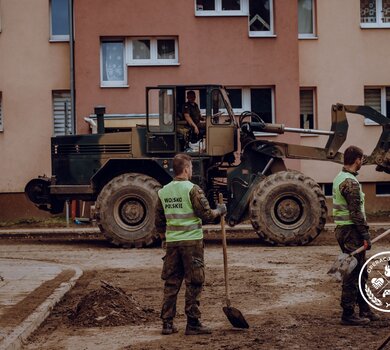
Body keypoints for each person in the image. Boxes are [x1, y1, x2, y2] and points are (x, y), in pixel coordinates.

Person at [155, 153, 227, 335]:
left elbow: (159, 221)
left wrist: (166, 238)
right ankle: (193, 323)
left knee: (171, 283)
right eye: (191, 168)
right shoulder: (192, 189)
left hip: (172, 244)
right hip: (192, 244)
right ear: (186, 169)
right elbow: (207, 216)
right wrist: (220, 210)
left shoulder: (163, 191)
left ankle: (167, 324)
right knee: (194, 282)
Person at [332, 145, 378, 325]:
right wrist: (365, 235)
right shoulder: (350, 182)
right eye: (361, 159)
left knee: (360, 271)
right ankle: (348, 314)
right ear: (357, 159)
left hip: (344, 230)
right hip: (351, 232)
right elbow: (356, 213)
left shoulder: (340, 178)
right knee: (352, 273)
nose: (362, 162)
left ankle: (365, 309)